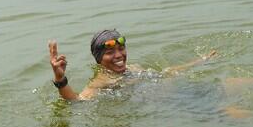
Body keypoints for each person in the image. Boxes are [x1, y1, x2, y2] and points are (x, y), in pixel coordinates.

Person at [47, 29, 218, 101]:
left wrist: (200, 61)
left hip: (185, 91)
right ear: (98, 59)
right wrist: (60, 79)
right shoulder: (100, 83)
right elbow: (77, 101)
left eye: (121, 49)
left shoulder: (133, 68)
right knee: (234, 111)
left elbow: (166, 73)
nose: (119, 55)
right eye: (110, 52)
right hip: (177, 105)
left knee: (235, 82)